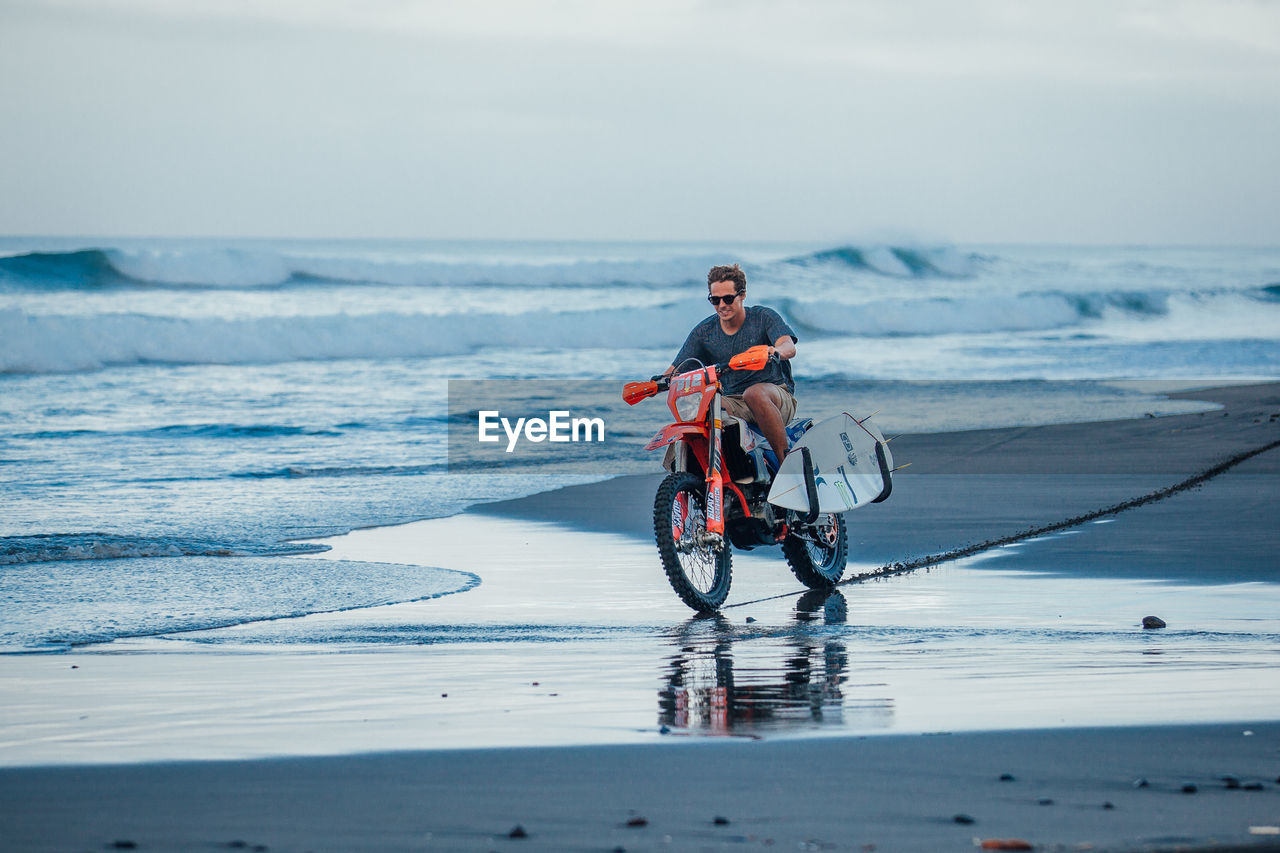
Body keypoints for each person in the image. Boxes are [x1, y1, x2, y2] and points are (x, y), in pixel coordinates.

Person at [664, 263, 798, 466]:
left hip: (775, 397)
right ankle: (686, 474)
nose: (721, 305)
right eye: (715, 300)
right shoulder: (704, 331)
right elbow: (676, 370)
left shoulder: (763, 317)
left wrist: (773, 351)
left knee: (753, 393)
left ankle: (786, 468)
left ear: (742, 294)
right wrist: (654, 384)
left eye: (728, 298)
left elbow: (788, 346)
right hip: (732, 401)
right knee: (696, 407)